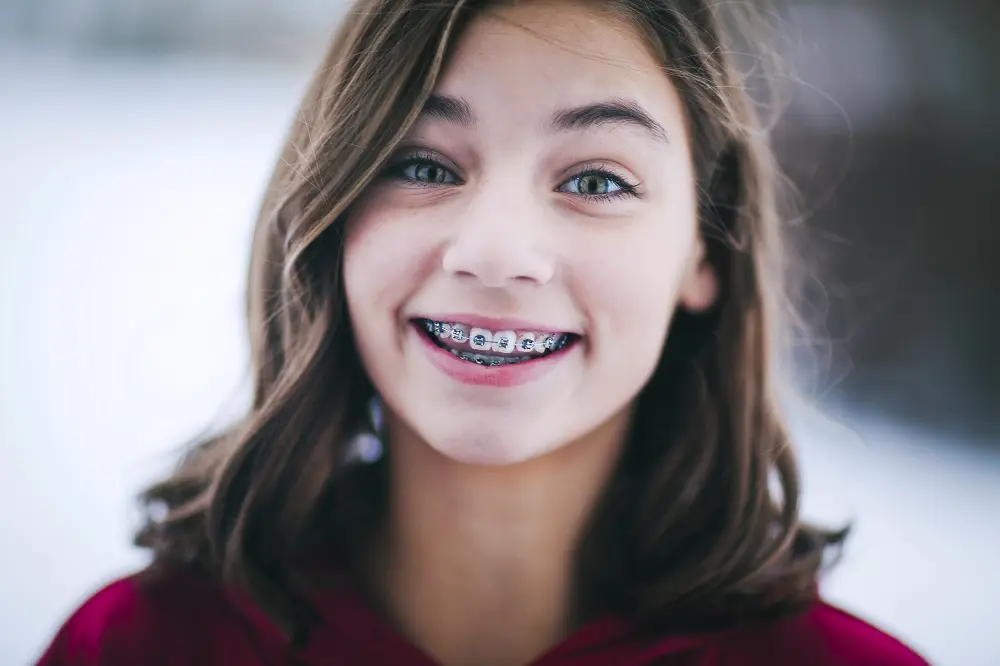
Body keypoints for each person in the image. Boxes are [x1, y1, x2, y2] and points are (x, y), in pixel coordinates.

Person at [36, 1, 931, 664]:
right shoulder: (138, 645)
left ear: (709, 245)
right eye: (422, 164)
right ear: (331, 218)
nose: (499, 255)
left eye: (596, 181)